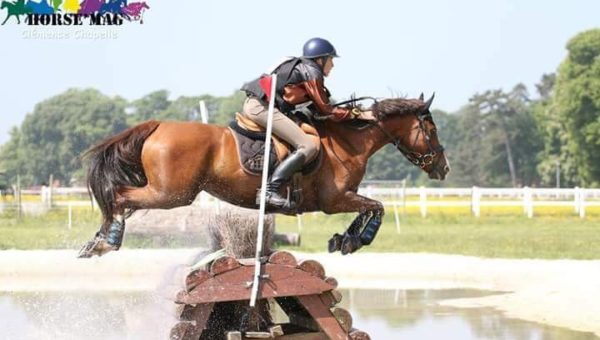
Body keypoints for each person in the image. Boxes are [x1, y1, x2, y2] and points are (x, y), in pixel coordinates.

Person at [241, 37, 366, 211]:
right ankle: (269, 191)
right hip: (262, 108)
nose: (333, 65)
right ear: (320, 59)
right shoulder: (311, 71)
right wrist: (354, 113)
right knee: (308, 146)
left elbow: (316, 108)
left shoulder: (302, 67)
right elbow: (326, 110)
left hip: (261, 105)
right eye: (331, 60)